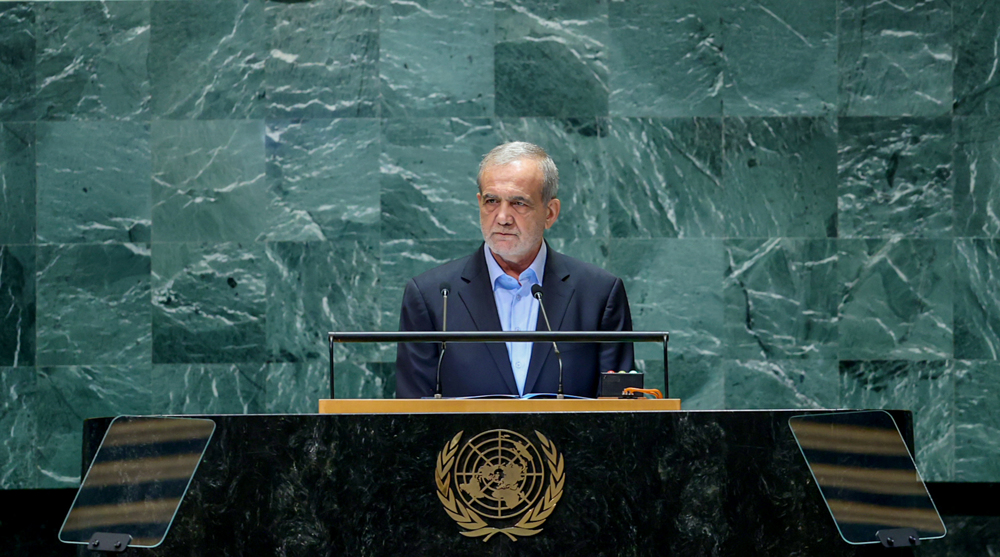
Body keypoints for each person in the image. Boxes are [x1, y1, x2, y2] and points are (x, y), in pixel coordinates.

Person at [395, 141, 634, 398]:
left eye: (519, 203)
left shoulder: (598, 294)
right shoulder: (431, 296)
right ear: (479, 203)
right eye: (492, 201)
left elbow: (618, 415)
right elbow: (412, 415)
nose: (502, 217)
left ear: (550, 213)